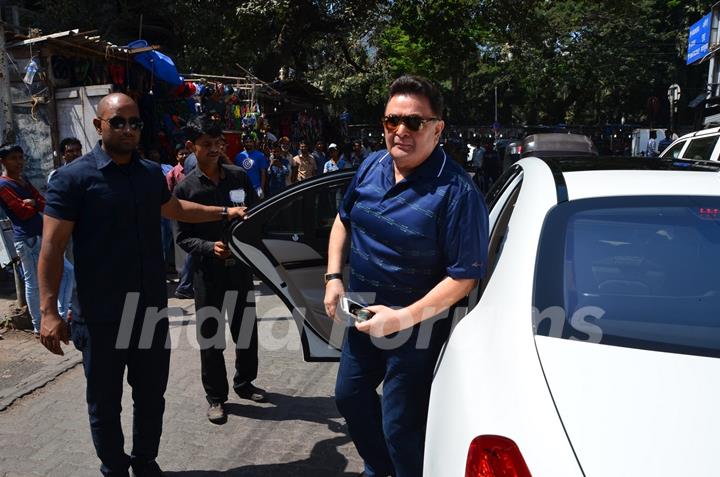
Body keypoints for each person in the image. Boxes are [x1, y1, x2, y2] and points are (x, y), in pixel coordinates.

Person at [37, 93, 249, 477]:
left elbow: (175, 209)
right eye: (118, 122)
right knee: (104, 402)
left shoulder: (150, 173)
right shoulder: (74, 179)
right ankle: (114, 468)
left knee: (151, 396)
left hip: (150, 310)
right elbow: (51, 248)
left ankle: (145, 462)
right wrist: (49, 311)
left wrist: (224, 210)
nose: (128, 129)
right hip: (101, 316)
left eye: (135, 123)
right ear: (99, 125)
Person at [324, 75, 489, 477]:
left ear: (437, 129)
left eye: (414, 122)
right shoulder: (372, 165)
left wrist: (400, 318)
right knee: (349, 397)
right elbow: (343, 220)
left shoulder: (457, 192)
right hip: (362, 313)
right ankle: (379, 469)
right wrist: (332, 277)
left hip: (417, 327)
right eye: (390, 121)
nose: (400, 130)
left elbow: (463, 277)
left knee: (400, 427)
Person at [174, 114, 265, 424]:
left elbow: (254, 217)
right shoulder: (186, 189)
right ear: (191, 147)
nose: (214, 149)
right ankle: (216, 397)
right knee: (211, 337)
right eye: (207, 144)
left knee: (246, 331)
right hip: (206, 273)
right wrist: (208, 248)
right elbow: (183, 237)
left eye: (218, 143)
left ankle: (245, 383)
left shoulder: (239, 177)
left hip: (239, 270)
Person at [0, 145, 74, 334]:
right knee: (34, 283)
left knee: (66, 272)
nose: (19, 162)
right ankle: (38, 325)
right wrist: (33, 204)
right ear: (3, 161)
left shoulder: (23, 180)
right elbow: (22, 212)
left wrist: (33, 203)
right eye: (13, 158)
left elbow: (43, 203)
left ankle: (61, 314)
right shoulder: (3, 185)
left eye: (20, 157)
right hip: (27, 239)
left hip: (41, 234)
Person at [166, 146, 195, 299]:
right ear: (176, 156)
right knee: (183, 247)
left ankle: (187, 281)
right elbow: (167, 194)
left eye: (186, 153)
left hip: (193, 213)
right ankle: (183, 282)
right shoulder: (173, 173)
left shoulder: (193, 169)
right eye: (181, 153)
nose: (183, 155)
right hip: (177, 213)